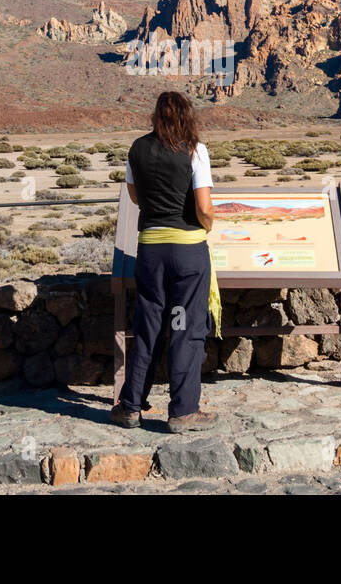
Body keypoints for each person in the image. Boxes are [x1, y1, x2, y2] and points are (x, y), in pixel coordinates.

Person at [110, 91, 218, 433]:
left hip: (151, 250)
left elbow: (135, 195)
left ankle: (129, 407)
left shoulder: (137, 149)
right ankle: (183, 411)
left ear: (156, 116)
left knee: (148, 326)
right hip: (187, 252)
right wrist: (209, 223)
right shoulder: (194, 150)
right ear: (187, 116)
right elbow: (203, 208)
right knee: (185, 328)